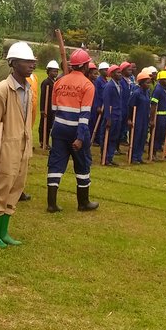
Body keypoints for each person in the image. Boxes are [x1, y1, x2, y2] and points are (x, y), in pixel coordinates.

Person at [0, 44, 38, 247]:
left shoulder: (28, 89)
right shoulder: (2, 90)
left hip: (22, 146)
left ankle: (3, 231)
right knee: (0, 189)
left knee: (15, 189)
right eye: (26, 61)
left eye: (33, 61)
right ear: (13, 63)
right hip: (5, 147)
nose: (32, 65)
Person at [46, 48, 98, 213]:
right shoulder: (88, 85)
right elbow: (84, 115)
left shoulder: (59, 82)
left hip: (59, 129)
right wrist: (81, 137)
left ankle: (51, 203)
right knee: (82, 165)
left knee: (55, 164)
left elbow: (54, 109)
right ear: (84, 66)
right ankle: (83, 203)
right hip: (77, 131)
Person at [127, 70, 153, 164]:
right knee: (136, 137)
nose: (149, 85)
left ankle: (139, 156)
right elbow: (130, 106)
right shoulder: (136, 93)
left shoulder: (147, 93)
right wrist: (129, 119)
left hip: (145, 118)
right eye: (147, 83)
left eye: (149, 83)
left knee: (143, 137)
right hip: (137, 118)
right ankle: (133, 156)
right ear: (141, 83)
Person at [150, 71, 166, 159]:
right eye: (165, 80)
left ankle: (156, 151)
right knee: (156, 135)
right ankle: (152, 153)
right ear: (160, 80)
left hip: (165, 116)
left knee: (161, 135)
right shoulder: (158, 89)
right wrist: (151, 119)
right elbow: (153, 104)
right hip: (158, 116)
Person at [39, 60, 59, 149]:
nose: (55, 73)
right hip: (46, 107)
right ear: (48, 72)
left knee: (50, 125)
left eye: (56, 71)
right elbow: (43, 96)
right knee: (44, 125)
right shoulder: (46, 82)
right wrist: (42, 110)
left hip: (51, 108)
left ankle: (46, 142)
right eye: (53, 71)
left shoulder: (54, 82)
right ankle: (43, 142)